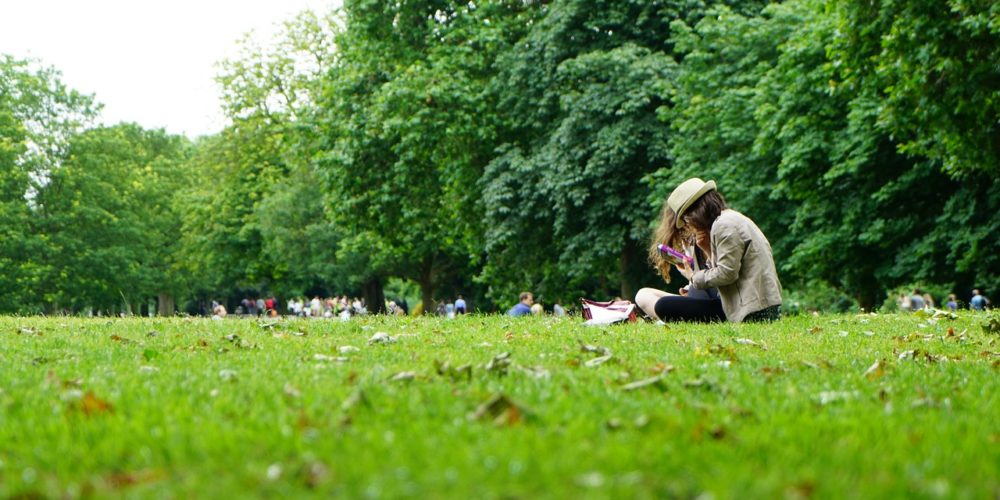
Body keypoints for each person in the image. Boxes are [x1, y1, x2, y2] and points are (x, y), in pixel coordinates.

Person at [635, 178, 782, 323]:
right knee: (650, 296)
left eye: (686, 219)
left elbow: (727, 274)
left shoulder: (724, 225)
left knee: (663, 306)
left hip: (753, 311)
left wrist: (693, 277)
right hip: (750, 305)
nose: (688, 224)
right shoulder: (727, 220)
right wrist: (706, 248)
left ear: (695, 211)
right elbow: (725, 271)